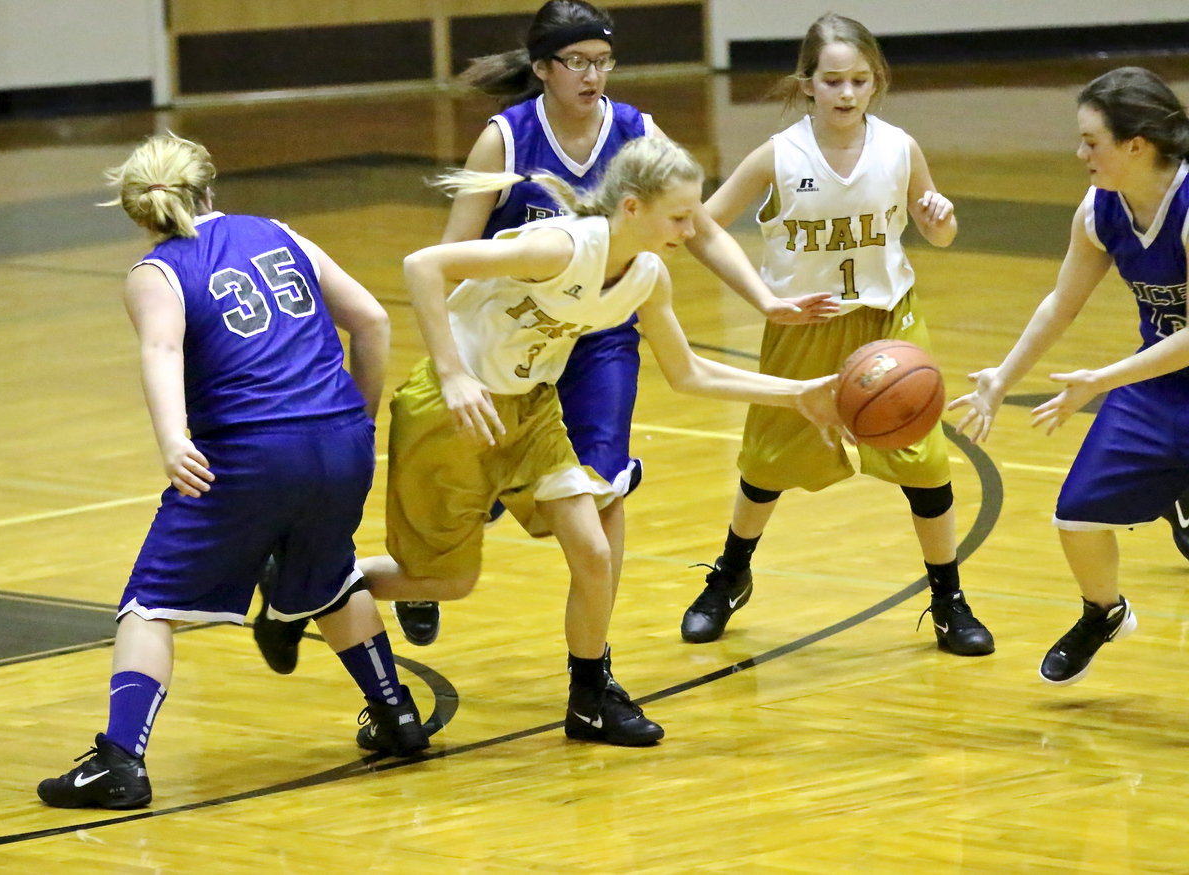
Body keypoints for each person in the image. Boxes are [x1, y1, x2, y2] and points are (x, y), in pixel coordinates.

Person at [250, 0, 835, 662]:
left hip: (595, 334)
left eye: (604, 61)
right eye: (578, 62)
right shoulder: (508, 140)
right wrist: (452, 365)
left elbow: (695, 227)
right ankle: (420, 563)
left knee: (600, 489)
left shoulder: (639, 139)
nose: (594, 75)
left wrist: (766, 302)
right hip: (513, 330)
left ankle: (594, 671)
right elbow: (441, 261)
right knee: (467, 527)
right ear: (543, 68)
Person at [353, 136, 841, 746]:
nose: (694, 230)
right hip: (454, 409)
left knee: (593, 552)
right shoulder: (559, 247)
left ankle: (589, 699)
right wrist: (452, 373)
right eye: (681, 216)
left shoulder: (647, 276)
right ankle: (317, 587)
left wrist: (795, 393)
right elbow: (424, 264)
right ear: (632, 208)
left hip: (530, 412)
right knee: (446, 582)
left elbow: (689, 372)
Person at [37, 133, 424, 811]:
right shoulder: (276, 232)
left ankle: (120, 760)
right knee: (330, 575)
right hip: (340, 440)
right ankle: (396, 714)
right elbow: (371, 320)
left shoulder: (154, 272)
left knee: (149, 605)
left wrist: (172, 438)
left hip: (251, 453)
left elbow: (159, 349)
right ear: (209, 188)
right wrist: (354, 419)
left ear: (136, 212)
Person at [677, 12, 995, 655]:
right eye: (832, 81)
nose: (847, 93)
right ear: (807, 85)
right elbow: (698, 228)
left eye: (859, 80)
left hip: (888, 325)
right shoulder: (778, 154)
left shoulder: (900, 147)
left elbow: (939, 231)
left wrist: (940, 219)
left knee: (926, 465)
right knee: (766, 465)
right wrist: (765, 299)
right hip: (807, 323)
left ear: (876, 82)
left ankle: (948, 599)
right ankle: (731, 575)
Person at [949, 66, 1189, 685]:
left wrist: (1105, 377)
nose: (1080, 152)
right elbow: (1060, 302)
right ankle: (1103, 611)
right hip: (1162, 381)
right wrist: (1002, 377)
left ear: (1136, 145)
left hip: (1157, 368)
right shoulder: (1100, 209)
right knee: (1076, 515)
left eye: (1091, 140)